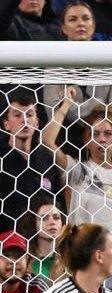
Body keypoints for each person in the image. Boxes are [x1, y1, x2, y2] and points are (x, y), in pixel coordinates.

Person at [42, 91, 112, 231]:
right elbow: (47, 140)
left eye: (108, 133)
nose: (102, 139)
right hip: (83, 249)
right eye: (95, 134)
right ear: (87, 140)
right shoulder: (78, 171)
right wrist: (65, 106)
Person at [42, 2, 112, 123]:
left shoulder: (108, 64)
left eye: (86, 18)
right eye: (73, 19)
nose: (80, 23)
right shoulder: (54, 65)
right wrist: (98, 104)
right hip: (66, 139)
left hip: (102, 138)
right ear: (63, 28)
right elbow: (54, 113)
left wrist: (70, 107)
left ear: (93, 25)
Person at [0, 89, 62, 234]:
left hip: (41, 243)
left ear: (37, 123)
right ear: (6, 124)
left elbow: (57, 202)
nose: (24, 120)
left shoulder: (46, 159)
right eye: (17, 115)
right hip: (7, 246)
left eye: (29, 115)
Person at [19, 196, 66, 283]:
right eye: (44, 218)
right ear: (34, 223)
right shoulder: (24, 262)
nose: (52, 222)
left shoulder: (69, 260)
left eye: (56, 217)